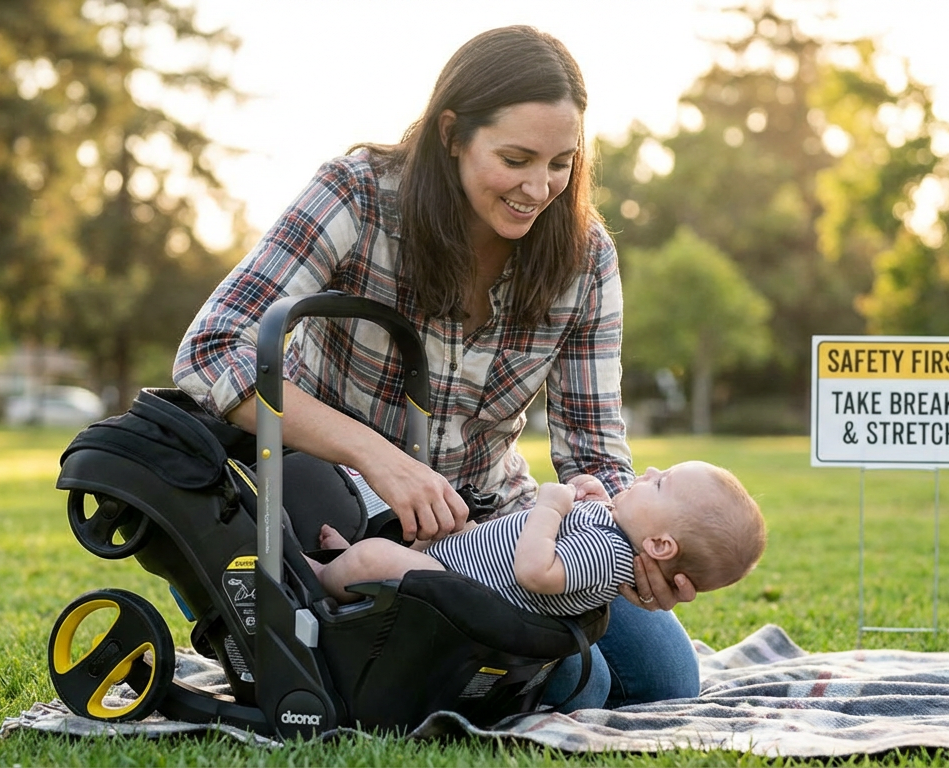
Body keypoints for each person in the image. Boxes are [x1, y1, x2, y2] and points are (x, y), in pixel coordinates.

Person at [174, 25, 701, 709]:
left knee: (664, 684)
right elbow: (211, 351)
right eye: (515, 159)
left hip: (496, 527)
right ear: (452, 133)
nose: (538, 187)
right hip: (339, 512)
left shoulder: (585, 256)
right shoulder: (358, 196)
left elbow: (594, 449)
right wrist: (380, 460)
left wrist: (631, 544)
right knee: (582, 683)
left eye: (561, 163)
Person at [309, 462, 766, 620]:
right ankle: (349, 568)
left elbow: (534, 571)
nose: (647, 472)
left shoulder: (609, 554)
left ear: (660, 547)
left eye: (660, 483)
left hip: (466, 591)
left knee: (376, 559)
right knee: (431, 535)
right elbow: (577, 533)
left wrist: (549, 507)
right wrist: (594, 496)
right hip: (467, 557)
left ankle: (321, 576)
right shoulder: (617, 532)